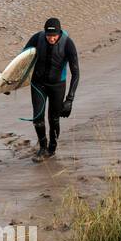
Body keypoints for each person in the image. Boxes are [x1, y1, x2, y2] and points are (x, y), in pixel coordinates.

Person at [21, 17, 80, 162]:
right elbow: (22, 59)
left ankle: (52, 147)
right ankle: (42, 147)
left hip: (57, 86)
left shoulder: (68, 44)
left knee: (53, 120)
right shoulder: (37, 38)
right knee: (37, 119)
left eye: (54, 36)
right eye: (48, 35)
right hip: (38, 84)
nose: (51, 39)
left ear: (59, 33)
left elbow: (76, 73)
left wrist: (70, 99)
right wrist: (11, 83)